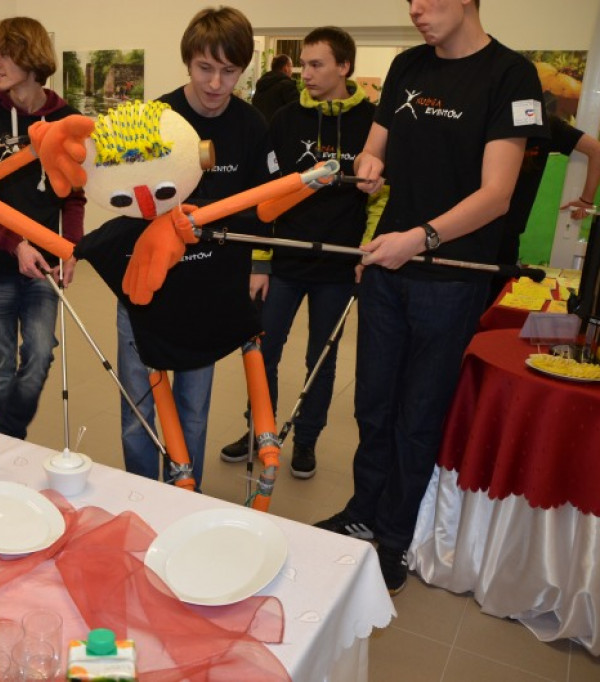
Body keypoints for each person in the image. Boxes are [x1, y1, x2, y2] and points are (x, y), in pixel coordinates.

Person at [315, 0, 547, 595]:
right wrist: (370, 164)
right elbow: (376, 147)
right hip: (388, 268)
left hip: (449, 276)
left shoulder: (511, 75)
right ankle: (364, 510)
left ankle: (395, 535)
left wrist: (418, 239)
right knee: (373, 404)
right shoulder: (407, 66)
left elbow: (497, 195)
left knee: (418, 416)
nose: (416, 9)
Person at [117, 6, 272, 489]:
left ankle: (187, 496)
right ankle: (143, 493)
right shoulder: (155, 119)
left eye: (229, 71)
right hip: (147, 281)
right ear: (188, 61)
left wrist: (260, 264)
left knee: (193, 408)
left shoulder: (252, 126)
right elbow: (125, 198)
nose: (216, 84)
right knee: (139, 406)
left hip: (210, 288)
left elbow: (265, 206)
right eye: (205, 68)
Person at [220, 27, 376, 479]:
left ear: (344, 66)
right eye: (303, 64)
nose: (304, 73)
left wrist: (367, 252)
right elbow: (265, 197)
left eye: (316, 64)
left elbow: (382, 198)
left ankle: (306, 439)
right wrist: (260, 261)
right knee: (262, 352)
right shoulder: (285, 119)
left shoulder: (373, 122)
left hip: (339, 266)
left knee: (320, 362)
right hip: (284, 262)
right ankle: (260, 431)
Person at [0, 17, 85, 440]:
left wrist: (71, 249)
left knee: (39, 355)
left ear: (31, 58)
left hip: (44, 265)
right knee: (0, 363)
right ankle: (8, 448)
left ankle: (5, 437)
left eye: (4, 54)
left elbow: (75, 197)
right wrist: (16, 245)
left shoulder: (67, 119)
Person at [492, 111, 600, 296]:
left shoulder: (544, 123)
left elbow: (596, 150)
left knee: (493, 302)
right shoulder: (490, 115)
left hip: (507, 238)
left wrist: (586, 199)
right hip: (472, 232)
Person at [252, 53, 299, 123]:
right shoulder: (287, 86)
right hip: (280, 128)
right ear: (286, 68)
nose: (291, 71)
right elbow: (297, 110)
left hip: (260, 128)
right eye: (291, 66)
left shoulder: (261, 86)